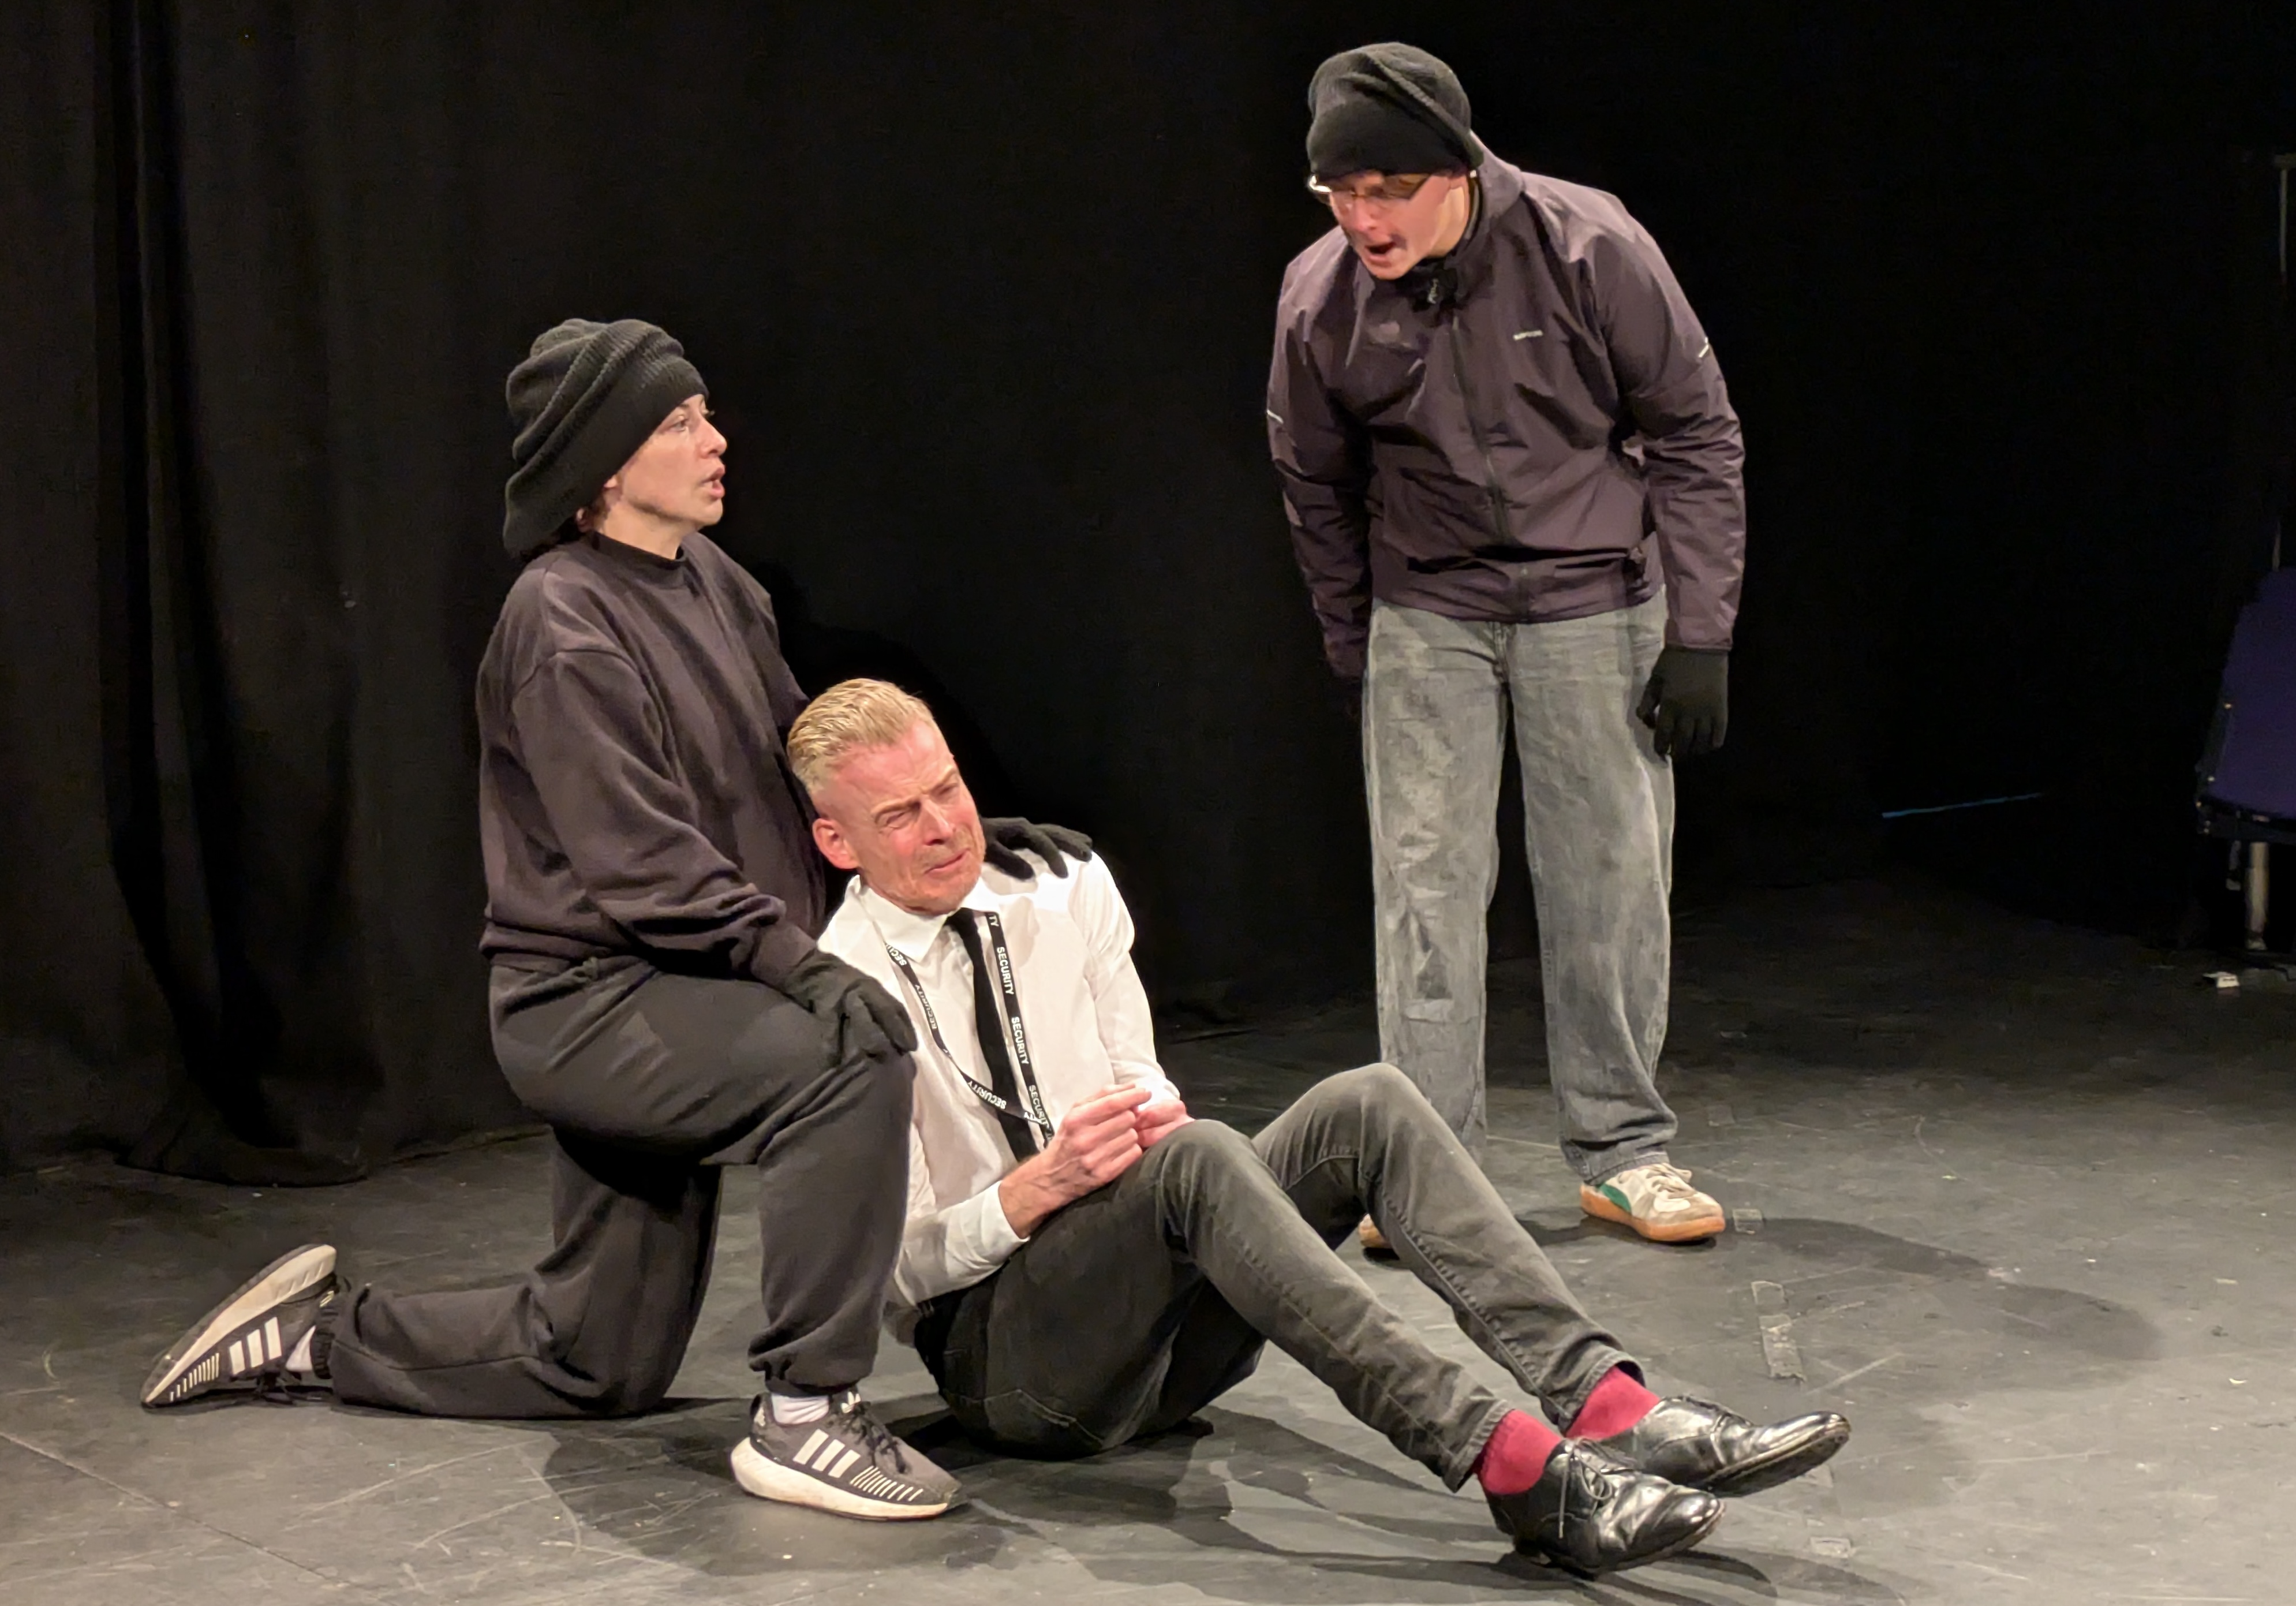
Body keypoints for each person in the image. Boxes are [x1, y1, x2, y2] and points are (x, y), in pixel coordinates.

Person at [137, 319, 1082, 1523]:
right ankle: (807, 1411)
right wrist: (798, 967)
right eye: (677, 422)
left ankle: (315, 1336)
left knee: (595, 1357)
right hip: (588, 1003)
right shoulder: (562, 621)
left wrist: (943, 826)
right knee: (849, 1057)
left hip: (683, 993)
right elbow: (638, 862)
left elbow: (803, 762)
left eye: (705, 412)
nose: (714, 438)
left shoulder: (716, 584)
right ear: (604, 462)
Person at [789, 678, 1846, 1577]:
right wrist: (1033, 1193)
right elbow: (888, 1273)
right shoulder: (836, 997)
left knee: (1366, 1101)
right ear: (836, 841)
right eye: (901, 815)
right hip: (1018, 1374)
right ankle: (1514, 1466)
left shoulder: (1063, 886)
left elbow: (1139, 1077)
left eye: (949, 789)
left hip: (1163, 1338)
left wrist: (1150, 1123)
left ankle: (1612, 1407)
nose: (945, 827)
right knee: (1199, 1158)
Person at [1267, 44, 1747, 1246]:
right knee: (1424, 890)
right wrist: (1352, 644)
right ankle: (1425, 1170)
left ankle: (1623, 1151)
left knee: (1608, 880)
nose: (1363, 219)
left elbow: (1695, 432)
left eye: (1388, 189)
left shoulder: (1590, 246)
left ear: (1457, 170)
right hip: (1428, 610)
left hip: (1593, 599)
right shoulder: (1320, 296)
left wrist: (1701, 631)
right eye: (1339, 192)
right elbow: (1312, 485)